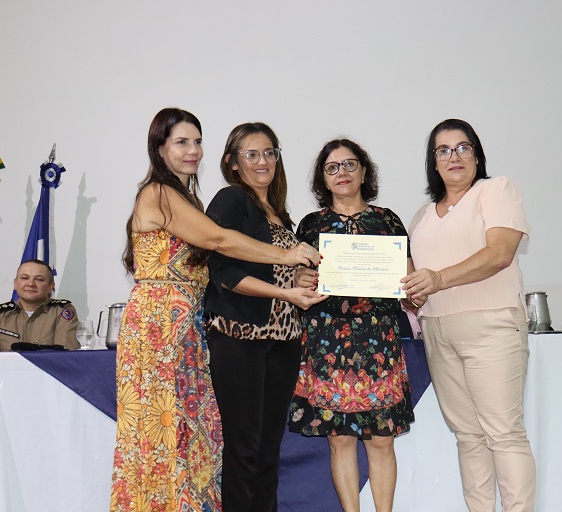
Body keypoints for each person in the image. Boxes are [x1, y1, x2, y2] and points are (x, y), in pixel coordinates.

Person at [110, 108, 320, 512]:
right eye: (181, 142)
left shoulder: (187, 197)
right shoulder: (157, 193)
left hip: (187, 326)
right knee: (160, 435)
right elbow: (220, 241)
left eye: (197, 141)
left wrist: (294, 274)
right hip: (159, 326)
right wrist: (288, 255)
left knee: (191, 438)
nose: (192, 150)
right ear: (159, 148)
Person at [401, 119, 536, 512]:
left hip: (491, 326)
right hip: (437, 332)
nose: (454, 156)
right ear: (433, 162)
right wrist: (408, 294)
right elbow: (415, 282)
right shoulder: (421, 216)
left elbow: (500, 254)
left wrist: (437, 279)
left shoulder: (496, 190)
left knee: (503, 434)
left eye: (463, 147)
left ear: (477, 154)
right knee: (468, 437)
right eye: (443, 150)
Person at [203, 122, 326, 511]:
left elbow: (279, 270)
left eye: (269, 153)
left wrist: (300, 280)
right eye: (251, 154)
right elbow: (224, 274)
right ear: (232, 162)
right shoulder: (231, 200)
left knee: (269, 449)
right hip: (241, 337)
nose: (263, 161)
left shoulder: (279, 213)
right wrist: (284, 292)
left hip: (284, 341)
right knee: (244, 449)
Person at [288, 139, 415, 512]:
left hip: (378, 339)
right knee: (339, 438)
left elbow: (408, 283)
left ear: (363, 172)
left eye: (349, 164)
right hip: (327, 341)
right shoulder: (311, 225)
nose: (341, 173)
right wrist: (300, 279)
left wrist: (415, 291)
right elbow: (298, 278)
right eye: (332, 167)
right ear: (323, 179)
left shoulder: (388, 221)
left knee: (381, 439)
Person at [0, 259, 78, 397]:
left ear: (51, 286)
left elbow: (66, 358)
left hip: (48, 391)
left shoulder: (62, 311)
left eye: (39, 279)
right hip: (5, 391)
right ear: (15, 283)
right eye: (24, 278)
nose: (30, 284)